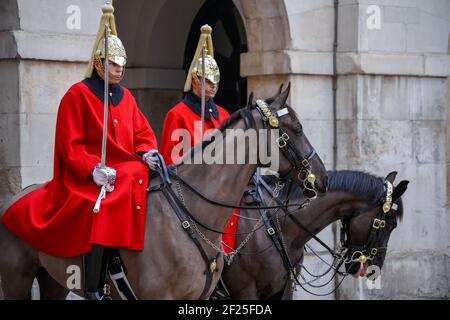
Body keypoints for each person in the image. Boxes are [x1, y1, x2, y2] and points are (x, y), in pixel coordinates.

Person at [1, 4, 160, 300]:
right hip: (86, 177)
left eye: (122, 64)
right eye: (114, 64)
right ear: (99, 64)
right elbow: (68, 145)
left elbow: (142, 133)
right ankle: (94, 285)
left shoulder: (125, 97)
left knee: (141, 180)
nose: (120, 69)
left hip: (124, 168)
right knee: (102, 204)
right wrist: (91, 169)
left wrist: (148, 151)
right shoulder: (78, 95)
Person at [159, 24, 239, 255]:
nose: (212, 86)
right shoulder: (177, 114)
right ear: (194, 81)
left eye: (215, 81)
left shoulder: (224, 115)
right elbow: (170, 160)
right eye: (207, 80)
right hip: (192, 192)